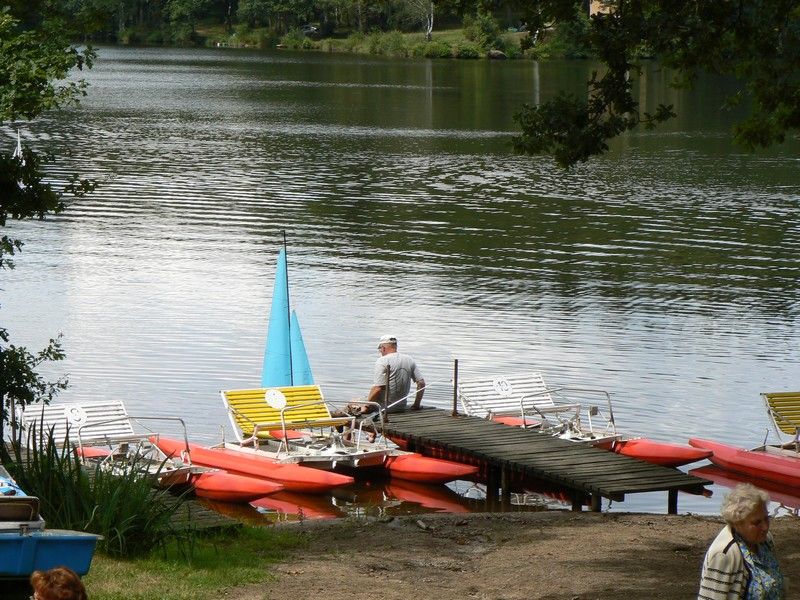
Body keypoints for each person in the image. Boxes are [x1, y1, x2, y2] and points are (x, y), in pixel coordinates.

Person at [697, 483, 784, 600]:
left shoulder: (766, 540)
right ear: (737, 522)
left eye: (766, 518)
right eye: (757, 522)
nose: (765, 527)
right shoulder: (724, 554)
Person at [347, 335, 425, 416]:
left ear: (383, 348)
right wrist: (416, 405)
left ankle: (344, 425)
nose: (380, 351)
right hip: (401, 406)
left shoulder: (382, 361)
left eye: (380, 349)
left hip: (384, 407)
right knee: (364, 398)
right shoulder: (409, 359)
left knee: (353, 402)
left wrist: (367, 406)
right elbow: (421, 383)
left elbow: (378, 388)